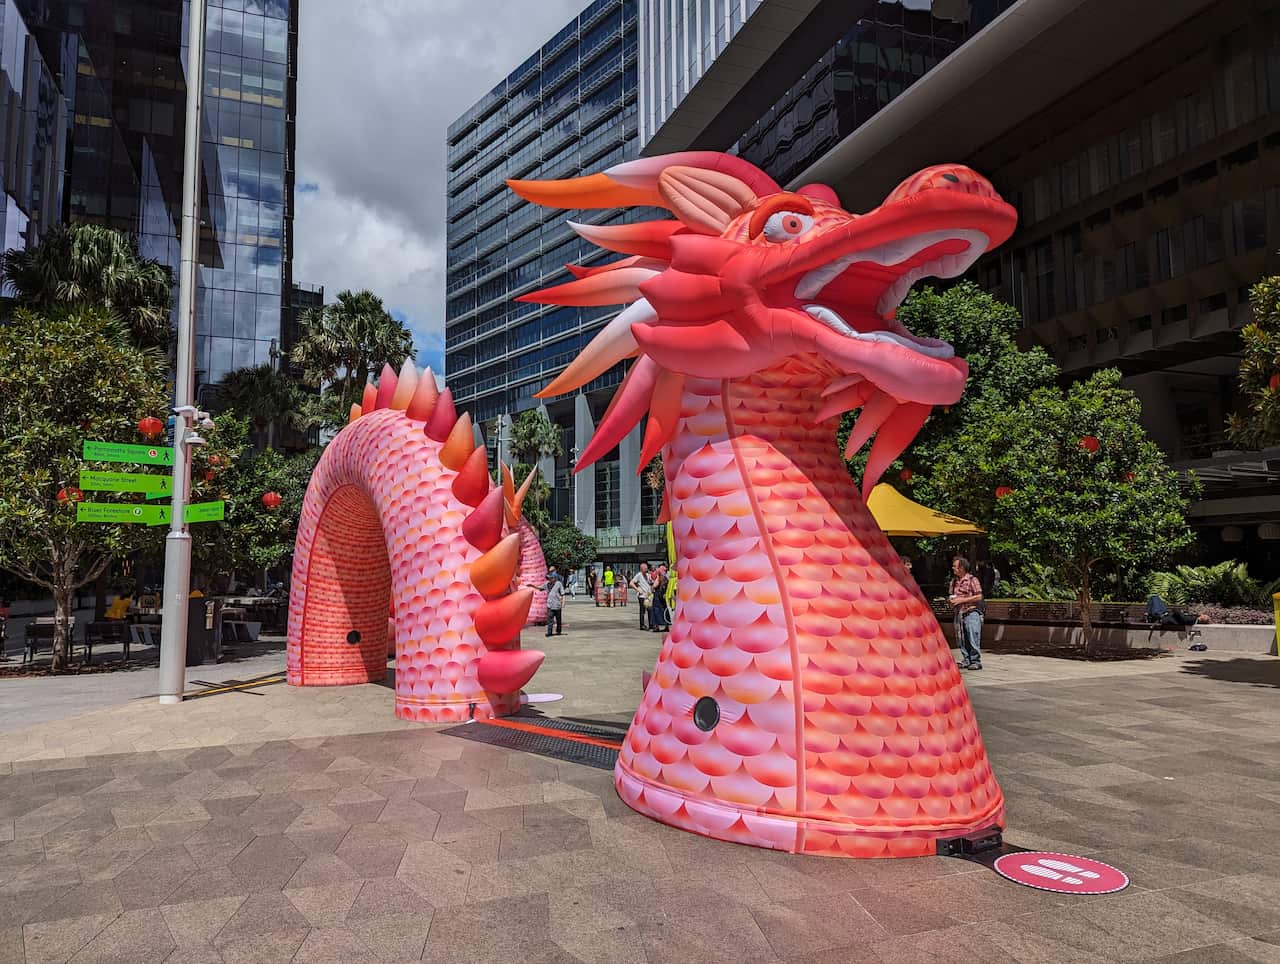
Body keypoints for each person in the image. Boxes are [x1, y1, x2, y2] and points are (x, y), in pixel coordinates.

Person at [949, 556, 984, 670]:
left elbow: (979, 596)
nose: (953, 568)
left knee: (972, 636)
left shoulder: (972, 580)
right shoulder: (954, 582)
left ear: (962, 568)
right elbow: (952, 596)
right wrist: (951, 601)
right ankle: (967, 659)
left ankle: (976, 661)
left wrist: (962, 600)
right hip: (959, 613)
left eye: (955, 566)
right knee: (962, 638)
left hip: (971, 612)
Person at [543, 566, 565, 636]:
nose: (549, 579)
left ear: (554, 578)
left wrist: (563, 602)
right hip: (550, 604)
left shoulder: (559, 584)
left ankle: (558, 631)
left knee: (558, 620)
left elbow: (563, 594)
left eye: (550, 578)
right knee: (550, 620)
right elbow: (540, 587)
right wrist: (532, 586)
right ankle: (549, 633)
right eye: (548, 578)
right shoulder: (547, 584)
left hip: (557, 605)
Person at [630, 563, 652, 629]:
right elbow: (631, 583)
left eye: (646, 568)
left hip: (648, 595)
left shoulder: (648, 575)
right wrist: (637, 589)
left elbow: (650, 583)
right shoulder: (639, 575)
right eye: (644, 569)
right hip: (642, 596)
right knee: (642, 611)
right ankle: (642, 625)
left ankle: (651, 624)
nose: (646, 570)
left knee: (650, 610)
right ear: (641, 569)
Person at [650, 564, 669, 632]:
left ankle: (656, 626)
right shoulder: (666, 578)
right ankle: (666, 625)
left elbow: (655, 585)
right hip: (663, 596)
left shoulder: (659, 577)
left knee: (656, 611)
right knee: (664, 610)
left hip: (657, 596)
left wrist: (652, 587)